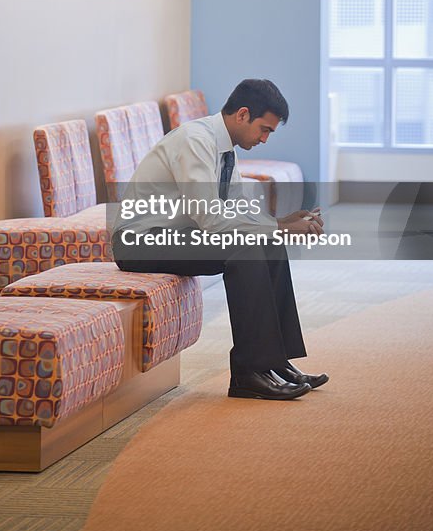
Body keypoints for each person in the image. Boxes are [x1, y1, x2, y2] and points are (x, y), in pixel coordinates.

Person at [112, 78, 329, 401]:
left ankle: (273, 360)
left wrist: (280, 222)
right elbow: (212, 219)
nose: (265, 139)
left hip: (178, 235)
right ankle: (247, 373)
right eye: (264, 129)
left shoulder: (226, 148)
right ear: (242, 115)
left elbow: (238, 210)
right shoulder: (194, 140)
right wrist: (278, 227)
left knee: (267, 243)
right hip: (140, 240)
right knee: (247, 250)